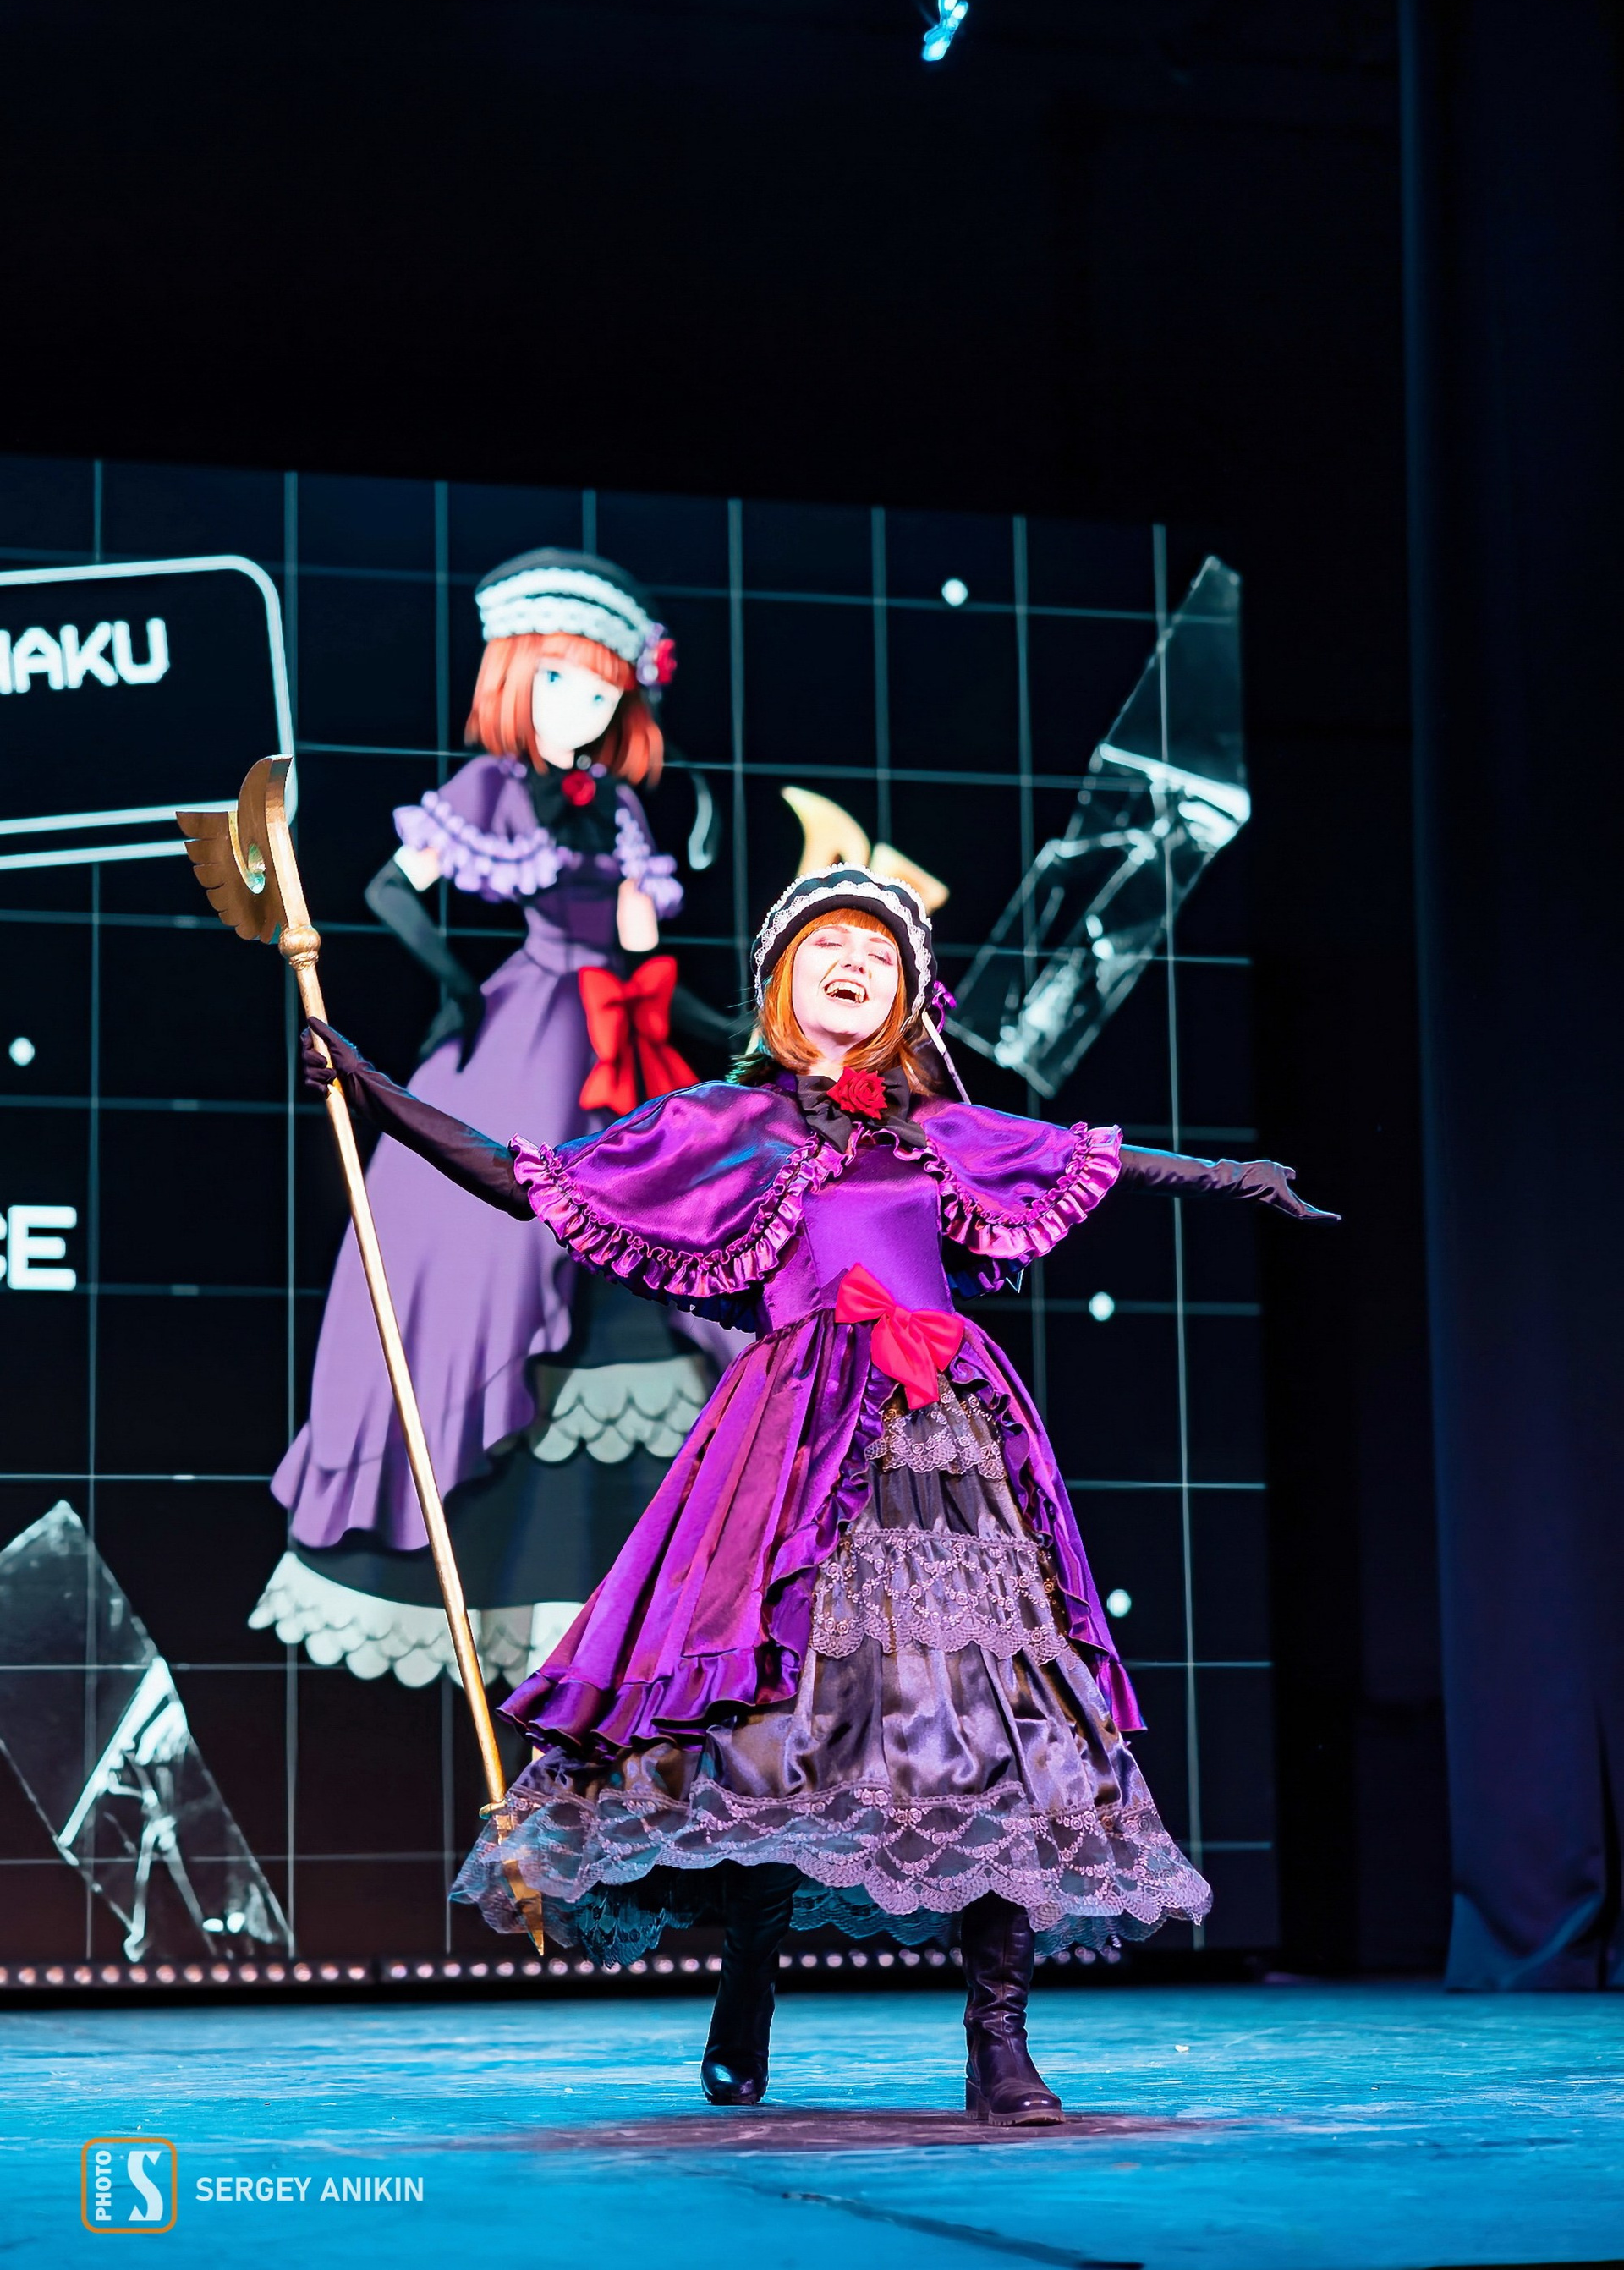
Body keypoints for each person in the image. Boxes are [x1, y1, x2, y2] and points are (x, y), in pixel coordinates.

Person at [300, 864, 1336, 2125]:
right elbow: (532, 1178)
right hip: (793, 1441)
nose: (858, 964)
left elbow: (1093, 1158)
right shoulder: (723, 1124)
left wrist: (1234, 1176)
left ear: (908, 997)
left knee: (997, 1716)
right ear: (782, 980)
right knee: (776, 1721)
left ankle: (999, 2042)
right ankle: (750, 1975)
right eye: (832, 945)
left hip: (945, 1438)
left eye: (882, 954)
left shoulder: (938, 1129)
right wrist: (375, 1091)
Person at [256, 548, 738, 1693]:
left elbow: (641, 949)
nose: (587, 709)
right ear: (516, 676)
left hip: (627, 1039)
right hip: (526, 1037)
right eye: (564, 682)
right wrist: (453, 986)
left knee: (673, 1244)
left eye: (606, 690)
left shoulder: (620, 806)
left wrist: (718, 1024)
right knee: (490, 1246)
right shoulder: (488, 788)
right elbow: (388, 888)